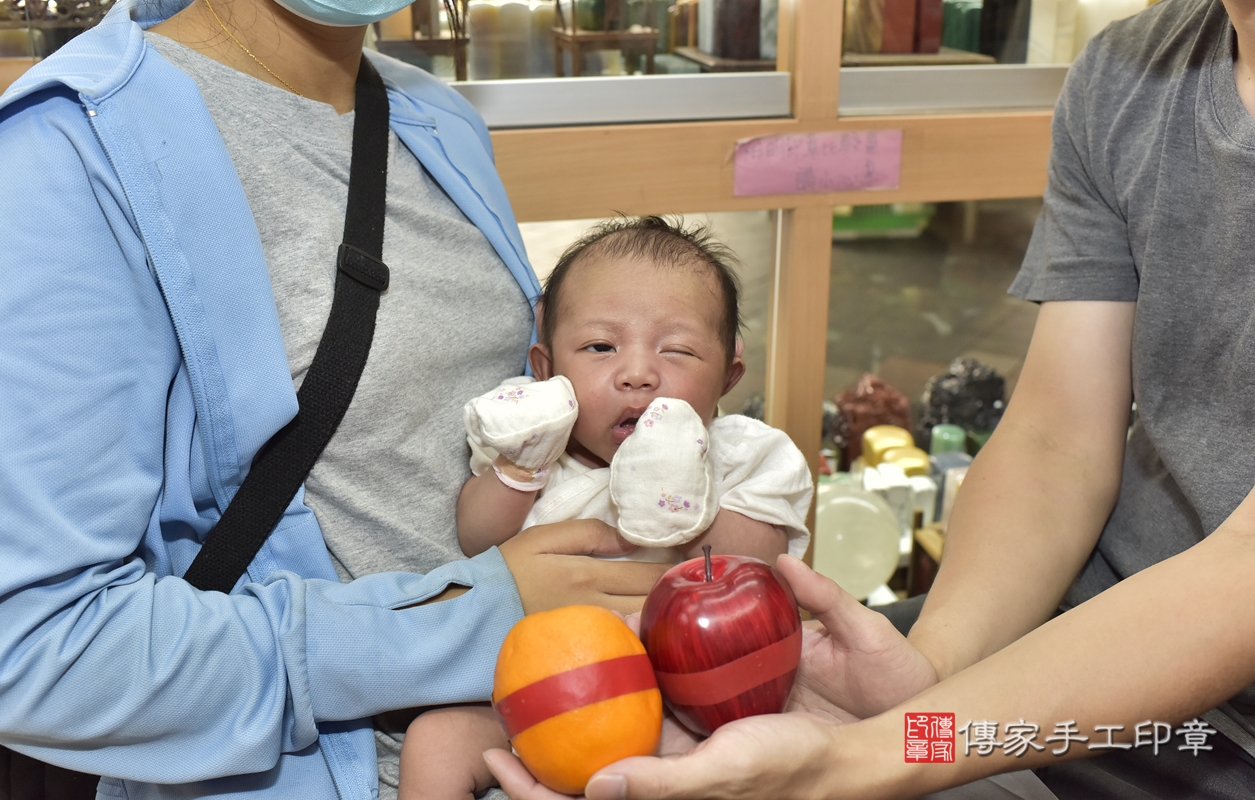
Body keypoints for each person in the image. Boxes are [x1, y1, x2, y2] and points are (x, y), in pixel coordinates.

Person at [485, 0, 1255, 797]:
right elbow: (1055, 443)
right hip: (1061, 642)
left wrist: (874, 754)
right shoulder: (1128, 73)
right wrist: (932, 669)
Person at [0, 1, 672, 798]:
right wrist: (470, 616)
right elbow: (41, 652)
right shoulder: (64, 148)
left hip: (544, 745)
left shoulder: (437, 118)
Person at [398, 217, 813, 800]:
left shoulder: (748, 454)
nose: (639, 374)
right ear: (546, 370)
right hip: (553, 695)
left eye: (678, 350)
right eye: (600, 347)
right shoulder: (544, 455)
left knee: (777, 749)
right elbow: (476, 540)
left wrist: (678, 488)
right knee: (435, 741)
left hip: (693, 701)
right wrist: (519, 469)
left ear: (727, 377)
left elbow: (755, 565)